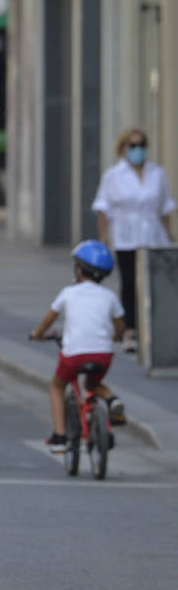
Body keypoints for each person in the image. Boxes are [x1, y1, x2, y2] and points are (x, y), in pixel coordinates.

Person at [30, 239, 126, 451]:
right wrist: (117, 337)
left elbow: (48, 319)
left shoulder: (68, 293)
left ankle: (60, 436)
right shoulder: (109, 296)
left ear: (80, 270)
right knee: (92, 384)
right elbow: (120, 326)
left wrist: (38, 334)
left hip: (74, 354)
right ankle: (111, 401)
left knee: (57, 385)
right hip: (103, 354)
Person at [93, 127, 176, 353]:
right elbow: (103, 208)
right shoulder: (113, 176)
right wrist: (104, 240)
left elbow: (165, 207)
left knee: (153, 285)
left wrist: (170, 236)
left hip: (153, 236)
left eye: (141, 146)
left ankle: (153, 329)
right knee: (130, 283)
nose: (137, 150)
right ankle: (131, 330)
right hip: (125, 236)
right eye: (133, 146)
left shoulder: (156, 173)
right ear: (123, 148)